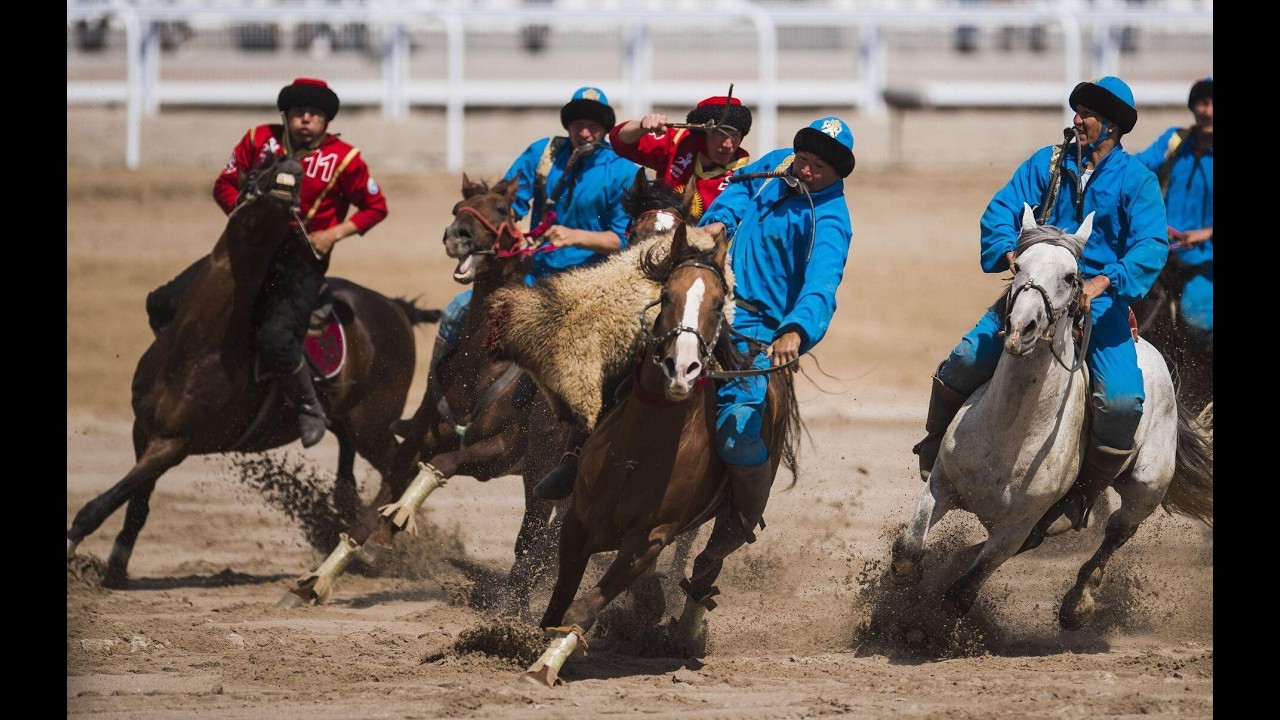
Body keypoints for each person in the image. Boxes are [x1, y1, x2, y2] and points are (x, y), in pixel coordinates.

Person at [910, 76, 1168, 552]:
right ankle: (934, 447)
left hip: (1099, 306)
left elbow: (1151, 244)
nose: (1078, 120)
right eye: (1078, 111)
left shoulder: (1137, 180)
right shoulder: (1045, 164)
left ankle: (1080, 497)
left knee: (1123, 403)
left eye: (1088, 113)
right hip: (1033, 293)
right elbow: (1001, 209)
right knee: (964, 358)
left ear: (1112, 125)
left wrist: (1102, 281)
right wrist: (1010, 256)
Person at [144, 77, 389, 448]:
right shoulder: (258, 140)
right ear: (285, 115)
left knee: (276, 338)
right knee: (162, 301)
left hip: (300, 264)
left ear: (326, 120)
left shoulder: (346, 160)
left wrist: (333, 234)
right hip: (245, 253)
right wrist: (242, 219)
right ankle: (180, 375)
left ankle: (308, 407)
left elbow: (376, 208)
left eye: (314, 114)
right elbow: (223, 185)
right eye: (297, 113)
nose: (305, 120)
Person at [428, 87, 638, 489]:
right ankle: (431, 412)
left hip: (584, 291)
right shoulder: (543, 153)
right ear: (569, 125)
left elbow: (622, 239)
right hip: (529, 277)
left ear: (605, 128)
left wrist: (574, 236)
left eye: (594, 123)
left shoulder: (622, 172)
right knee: (458, 310)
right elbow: (508, 203)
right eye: (579, 122)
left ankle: (571, 438)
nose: (585, 130)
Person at [1134, 76, 1212, 345]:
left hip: (1206, 259)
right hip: (1162, 251)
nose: (1209, 112)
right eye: (1203, 103)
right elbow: (1137, 169)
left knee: (1198, 320)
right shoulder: (1174, 141)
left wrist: (1206, 234)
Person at [607, 94, 753, 221]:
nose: (729, 145)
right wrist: (641, 126)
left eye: (735, 136)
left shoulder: (743, 178)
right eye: (721, 134)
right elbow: (620, 141)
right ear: (702, 136)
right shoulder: (678, 142)